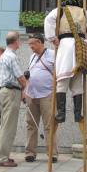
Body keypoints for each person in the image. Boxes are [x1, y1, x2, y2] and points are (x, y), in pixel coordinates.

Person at [44, 0, 87, 123]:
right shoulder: (83, 11)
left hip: (65, 45)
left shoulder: (60, 9)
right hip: (79, 46)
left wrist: (52, 38)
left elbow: (48, 19)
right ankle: (77, 114)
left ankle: (61, 114)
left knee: (62, 79)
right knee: (76, 81)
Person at [24, 33, 59, 163]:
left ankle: (52, 154)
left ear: (39, 42)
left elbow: (58, 73)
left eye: (32, 43)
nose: (30, 46)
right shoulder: (32, 57)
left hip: (47, 94)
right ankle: (30, 152)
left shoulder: (52, 54)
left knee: (50, 125)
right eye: (29, 44)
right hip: (31, 94)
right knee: (31, 124)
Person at [0, 31, 27, 167]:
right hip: (11, 92)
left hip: (4, 91)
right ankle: (2, 158)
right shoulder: (12, 57)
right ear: (17, 41)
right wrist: (26, 87)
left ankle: (2, 155)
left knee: (4, 126)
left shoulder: (4, 55)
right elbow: (20, 77)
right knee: (8, 127)